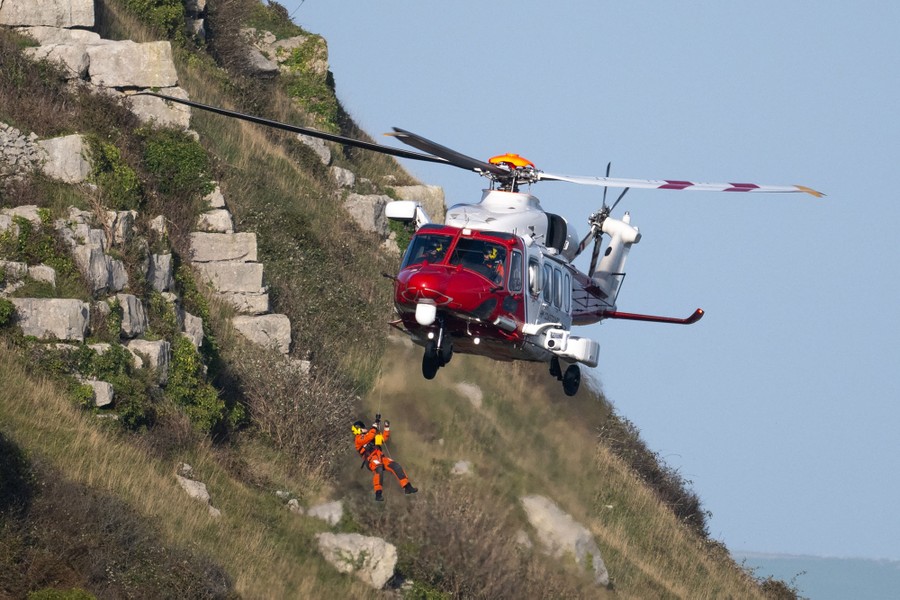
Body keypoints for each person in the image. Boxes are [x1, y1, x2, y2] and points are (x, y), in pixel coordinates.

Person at [352, 415, 417, 501]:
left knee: (395, 466)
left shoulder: (370, 436)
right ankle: (378, 494)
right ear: (358, 430)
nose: (365, 429)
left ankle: (407, 487)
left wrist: (386, 428)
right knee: (378, 468)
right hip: (371, 460)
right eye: (363, 427)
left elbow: (383, 438)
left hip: (380, 457)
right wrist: (374, 427)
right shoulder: (358, 439)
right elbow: (369, 437)